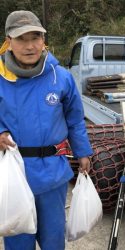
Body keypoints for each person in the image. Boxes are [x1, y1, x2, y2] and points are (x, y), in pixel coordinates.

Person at [0, 10, 93, 250]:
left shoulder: (60, 77)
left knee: (53, 237)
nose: (30, 45)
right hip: (13, 171)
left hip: (52, 171)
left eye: (36, 37)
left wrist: (83, 153)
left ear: (44, 40)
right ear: (9, 42)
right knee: (17, 235)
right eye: (22, 38)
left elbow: (75, 120)